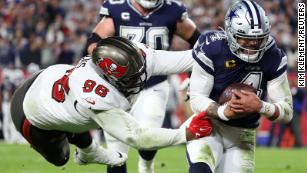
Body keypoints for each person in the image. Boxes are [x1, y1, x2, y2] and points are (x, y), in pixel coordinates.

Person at [10, 37, 212, 168]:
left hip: (47, 79)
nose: (141, 79)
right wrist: (185, 133)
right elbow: (138, 137)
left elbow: (191, 58)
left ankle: (85, 150)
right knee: (60, 158)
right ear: (111, 77)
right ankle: (91, 152)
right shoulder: (98, 94)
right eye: (133, 77)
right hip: (29, 111)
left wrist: (221, 52)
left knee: (78, 115)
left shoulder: (136, 58)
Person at [85, 0, 201, 173]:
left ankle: (146, 165)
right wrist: (106, 63)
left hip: (153, 85)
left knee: (148, 139)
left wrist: (195, 75)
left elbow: (199, 42)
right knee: (116, 151)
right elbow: (94, 43)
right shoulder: (117, 8)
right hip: (118, 88)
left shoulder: (172, 10)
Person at [186, 1, 293, 173]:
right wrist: (222, 111)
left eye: (259, 39)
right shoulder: (212, 48)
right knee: (200, 169)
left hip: (243, 134)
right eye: (246, 38)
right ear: (229, 32)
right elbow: (196, 99)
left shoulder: (273, 56)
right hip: (209, 125)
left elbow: (287, 112)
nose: (253, 44)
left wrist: (261, 106)